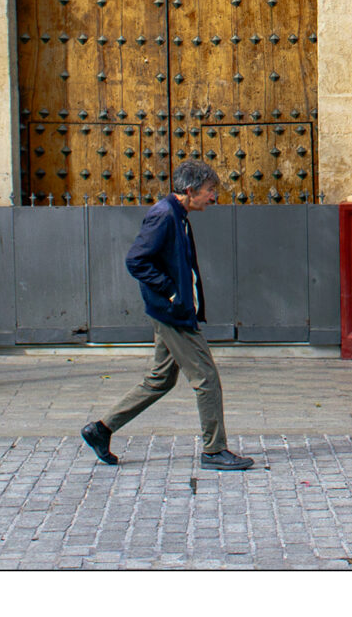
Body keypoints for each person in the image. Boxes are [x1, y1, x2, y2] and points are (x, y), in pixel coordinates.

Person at [80, 162, 253, 471]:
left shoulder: (178, 215)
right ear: (190, 191)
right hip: (173, 315)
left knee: (159, 380)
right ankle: (214, 451)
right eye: (210, 191)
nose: (214, 198)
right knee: (207, 379)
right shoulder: (164, 215)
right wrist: (172, 293)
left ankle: (101, 430)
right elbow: (136, 260)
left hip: (172, 311)